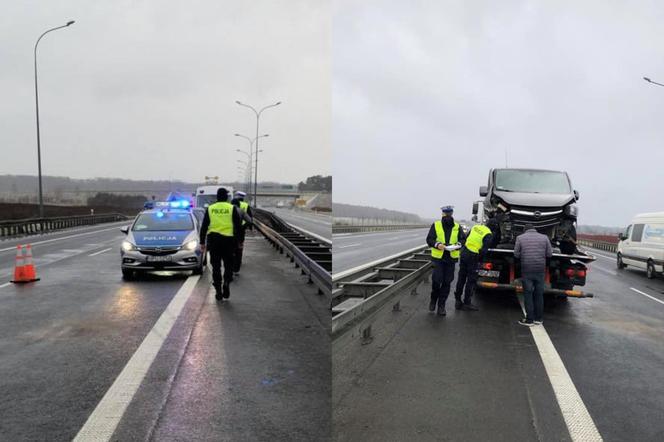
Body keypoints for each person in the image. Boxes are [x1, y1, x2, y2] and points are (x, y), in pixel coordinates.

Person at [200, 187, 242, 300]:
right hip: (228, 241)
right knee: (229, 265)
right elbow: (238, 226)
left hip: (214, 241)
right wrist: (239, 241)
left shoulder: (210, 208)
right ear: (226, 197)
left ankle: (218, 290)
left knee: (216, 267)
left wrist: (202, 242)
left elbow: (204, 227)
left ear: (217, 197)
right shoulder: (231, 208)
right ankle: (226, 282)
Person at [426, 205, 466, 316]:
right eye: (446, 213)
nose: (447, 215)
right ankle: (433, 299)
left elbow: (463, 239)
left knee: (447, 282)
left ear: (452, 214)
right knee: (437, 281)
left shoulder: (457, 227)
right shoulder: (436, 225)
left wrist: (458, 245)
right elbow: (429, 239)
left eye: (449, 213)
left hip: (451, 259)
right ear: (442, 214)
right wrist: (437, 244)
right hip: (438, 258)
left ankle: (441, 306)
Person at [454, 218, 499, 311]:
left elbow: (467, 238)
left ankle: (457, 301)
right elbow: (483, 250)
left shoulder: (476, 227)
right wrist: (479, 260)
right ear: (494, 228)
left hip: (464, 253)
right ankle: (467, 302)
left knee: (461, 278)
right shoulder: (488, 234)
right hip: (473, 256)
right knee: (471, 280)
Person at [514, 224, 553, 326]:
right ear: (534, 229)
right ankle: (538, 319)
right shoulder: (544, 238)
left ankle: (529, 320)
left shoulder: (520, 238)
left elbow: (516, 254)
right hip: (540, 269)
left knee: (528, 294)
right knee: (539, 294)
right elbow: (549, 254)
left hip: (527, 268)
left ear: (524, 230)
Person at [230, 191, 253, 276]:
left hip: (228, 233)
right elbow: (250, 220)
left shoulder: (229, 209)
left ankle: (230, 267)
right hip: (240, 232)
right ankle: (236, 268)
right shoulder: (245, 206)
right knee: (239, 249)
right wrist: (246, 227)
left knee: (229, 251)